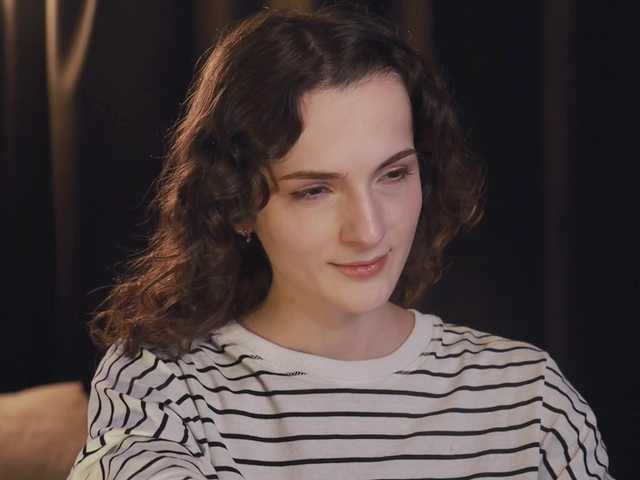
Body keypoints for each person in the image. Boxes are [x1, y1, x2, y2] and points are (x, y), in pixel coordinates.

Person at [67, 6, 613, 479]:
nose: (368, 230)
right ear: (237, 204)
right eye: (315, 190)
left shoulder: (528, 398)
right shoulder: (160, 384)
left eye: (393, 174)